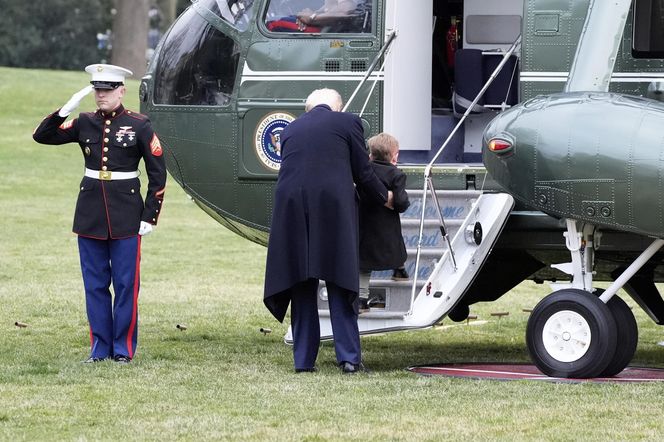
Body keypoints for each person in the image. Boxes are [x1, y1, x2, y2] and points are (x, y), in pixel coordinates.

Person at [32, 64, 167, 364]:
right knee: (94, 285)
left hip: (127, 216)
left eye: (107, 90)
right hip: (90, 214)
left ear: (121, 90)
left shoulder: (140, 124)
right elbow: (42, 136)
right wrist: (65, 110)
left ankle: (123, 349)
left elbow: (158, 173)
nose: (101, 95)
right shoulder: (84, 122)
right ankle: (99, 349)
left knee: (125, 285)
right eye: (97, 89)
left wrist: (150, 215)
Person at [263, 88, 393, 374]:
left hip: (292, 209)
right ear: (337, 107)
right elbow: (363, 172)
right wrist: (386, 197)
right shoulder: (349, 122)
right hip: (332, 208)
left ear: (309, 108)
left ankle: (304, 361)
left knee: (301, 283)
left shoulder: (290, 129)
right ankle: (348, 358)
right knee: (340, 279)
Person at [358, 133, 410, 312]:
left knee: (363, 264)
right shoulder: (397, 174)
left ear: (370, 154)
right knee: (397, 248)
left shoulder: (364, 172)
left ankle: (361, 300)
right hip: (387, 226)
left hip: (364, 224)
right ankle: (400, 271)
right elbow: (401, 203)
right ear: (395, 156)